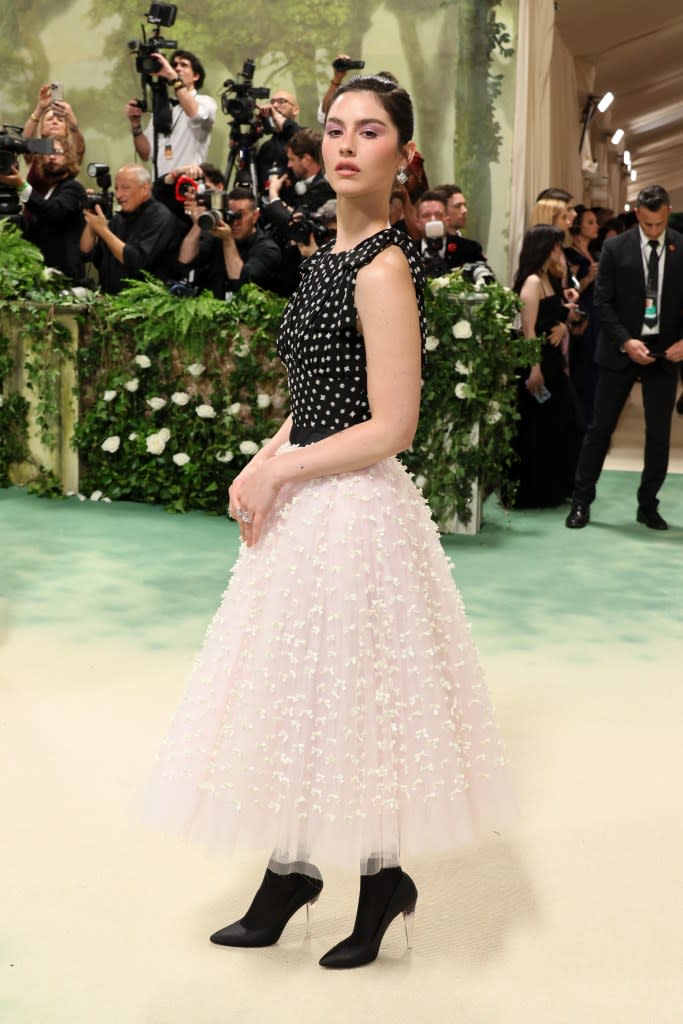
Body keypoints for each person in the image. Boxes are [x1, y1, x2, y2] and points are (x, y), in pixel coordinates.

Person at [143, 74, 515, 970]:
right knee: (297, 694)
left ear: (402, 154)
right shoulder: (325, 258)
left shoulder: (384, 267)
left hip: (354, 513)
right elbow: (316, 399)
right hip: (313, 498)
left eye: (371, 131)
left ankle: (378, 878)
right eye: (336, 129)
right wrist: (263, 458)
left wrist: (286, 472)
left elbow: (392, 426)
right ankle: (293, 871)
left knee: (355, 699)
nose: (347, 145)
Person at [566, 185, 683, 530]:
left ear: (669, 212)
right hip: (621, 351)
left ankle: (648, 505)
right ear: (637, 215)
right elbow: (602, 302)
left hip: (664, 353)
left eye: (659, 223)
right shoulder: (616, 248)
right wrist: (626, 342)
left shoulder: (681, 247)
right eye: (647, 224)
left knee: (659, 434)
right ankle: (581, 501)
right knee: (600, 428)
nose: (654, 230)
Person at [510, 225, 583, 507]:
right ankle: (537, 490)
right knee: (541, 429)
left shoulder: (548, 279)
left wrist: (564, 326)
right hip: (539, 363)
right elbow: (528, 330)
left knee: (562, 426)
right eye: (555, 246)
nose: (559, 251)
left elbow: (556, 316)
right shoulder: (531, 282)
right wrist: (534, 368)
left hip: (552, 362)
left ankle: (556, 485)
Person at [80, 164, 184, 294]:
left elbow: (136, 261)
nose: (118, 195)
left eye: (125, 188)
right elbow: (87, 254)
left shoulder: (160, 217)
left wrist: (103, 230)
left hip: (144, 305)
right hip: (110, 302)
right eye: (117, 188)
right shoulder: (119, 219)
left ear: (145, 188)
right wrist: (91, 220)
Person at [0, 134, 86, 282]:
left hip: (64, 277)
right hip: (45, 274)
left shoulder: (73, 188)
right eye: (48, 153)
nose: (52, 157)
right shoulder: (48, 191)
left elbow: (53, 211)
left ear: (69, 157)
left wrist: (21, 185)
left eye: (57, 152)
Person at [125, 50, 216, 179]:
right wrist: (135, 125)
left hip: (188, 184)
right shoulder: (164, 107)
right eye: (174, 65)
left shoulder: (205, 102)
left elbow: (195, 115)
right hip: (161, 187)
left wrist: (174, 78)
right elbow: (146, 153)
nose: (177, 68)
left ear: (196, 76)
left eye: (184, 65)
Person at [177, 187, 282, 298]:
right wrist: (199, 223)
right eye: (230, 215)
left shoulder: (268, 249)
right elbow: (185, 260)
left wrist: (228, 240)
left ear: (255, 216)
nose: (235, 222)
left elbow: (242, 284)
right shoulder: (217, 237)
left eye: (240, 215)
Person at [565, 205, 600, 424]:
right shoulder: (571, 255)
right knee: (583, 368)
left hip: (596, 314)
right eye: (590, 222)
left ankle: (593, 421)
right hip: (583, 314)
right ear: (578, 226)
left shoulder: (593, 253)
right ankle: (583, 423)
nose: (596, 226)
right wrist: (588, 279)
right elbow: (571, 289)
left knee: (594, 369)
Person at [436, 183, 486, 266]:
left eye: (464, 205)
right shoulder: (425, 247)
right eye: (458, 206)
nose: (465, 210)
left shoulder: (471, 248)